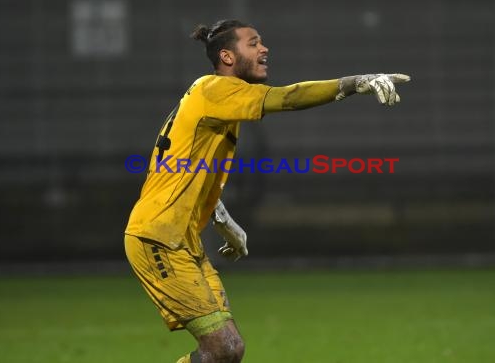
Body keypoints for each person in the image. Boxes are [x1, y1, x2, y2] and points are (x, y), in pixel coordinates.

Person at [124, 19, 410, 363]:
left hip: (181, 238)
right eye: (254, 43)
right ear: (228, 57)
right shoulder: (213, 90)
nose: (264, 49)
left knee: (227, 352)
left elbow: (190, 175)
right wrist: (354, 83)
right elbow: (288, 97)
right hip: (158, 237)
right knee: (222, 347)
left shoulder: (217, 101)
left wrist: (225, 223)